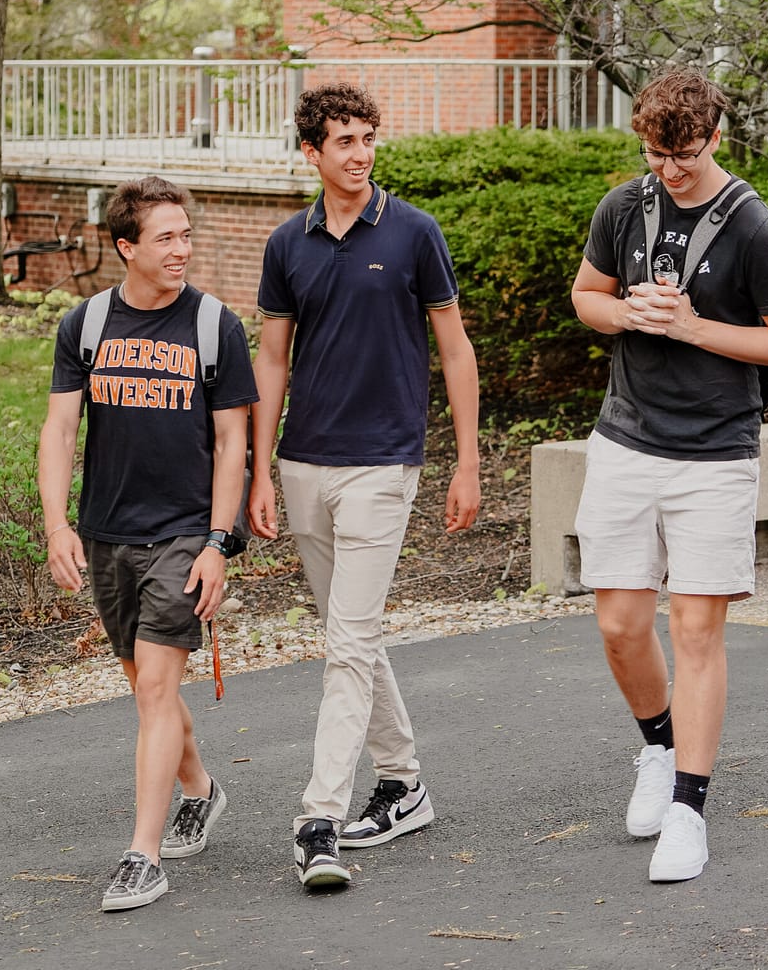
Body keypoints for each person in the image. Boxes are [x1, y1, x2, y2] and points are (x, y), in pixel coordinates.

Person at [570, 67, 768, 883]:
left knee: (696, 632)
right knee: (617, 622)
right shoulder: (623, 207)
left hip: (714, 452)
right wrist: (626, 313)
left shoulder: (755, 228)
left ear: (714, 137)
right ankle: (657, 745)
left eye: (680, 155)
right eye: (652, 154)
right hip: (625, 439)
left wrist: (693, 327)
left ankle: (688, 808)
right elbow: (585, 297)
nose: (666, 170)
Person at [246, 82, 481, 889]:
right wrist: (257, 468)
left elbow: (454, 349)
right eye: (343, 141)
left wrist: (469, 461)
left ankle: (317, 819)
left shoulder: (414, 232)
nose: (360, 153)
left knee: (347, 644)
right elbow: (271, 359)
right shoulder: (288, 245)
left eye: (367, 138)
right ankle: (404, 781)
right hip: (304, 460)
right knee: (353, 637)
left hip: (385, 462)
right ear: (311, 153)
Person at [38, 175, 259, 912]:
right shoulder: (87, 325)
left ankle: (142, 854)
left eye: (186, 234)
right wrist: (56, 525)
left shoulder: (213, 324)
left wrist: (219, 543)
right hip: (107, 533)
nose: (181, 249)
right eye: (165, 237)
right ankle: (199, 786)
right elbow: (60, 430)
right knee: (144, 686)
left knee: (158, 688)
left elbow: (234, 443)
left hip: (182, 534)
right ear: (126, 246)